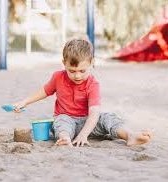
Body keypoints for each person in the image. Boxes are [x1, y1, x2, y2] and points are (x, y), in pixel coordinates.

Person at [13, 39, 152, 147]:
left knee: (108, 117)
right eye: (72, 71)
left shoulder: (93, 84)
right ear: (64, 63)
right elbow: (44, 91)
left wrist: (84, 135)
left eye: (82, 71)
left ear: (92, 63)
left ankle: (130, 136)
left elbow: (94, 114)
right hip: (67, 119)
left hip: (88, 123)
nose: (77, 76)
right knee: (61, 121)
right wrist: (24, 102)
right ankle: (65, 139)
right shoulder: (57, 77)